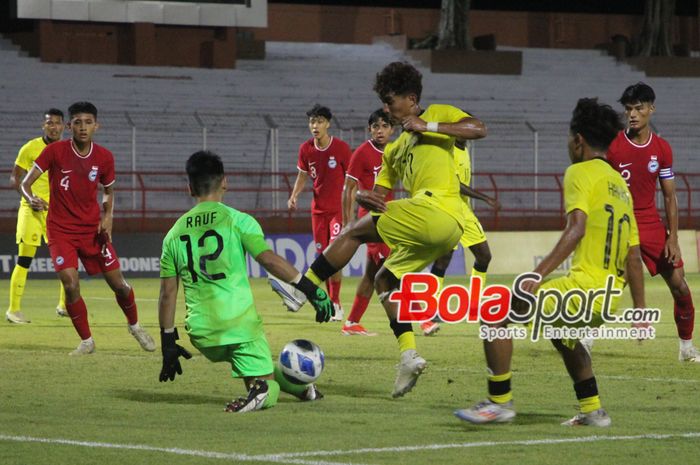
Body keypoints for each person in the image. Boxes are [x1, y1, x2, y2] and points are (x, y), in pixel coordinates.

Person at [282, 61, 487, 397]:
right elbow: (378, 197)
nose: (387, 109)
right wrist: (365, 195)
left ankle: (303, 288)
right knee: (384, 280)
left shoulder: (438, 112)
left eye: (392, 102)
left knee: (349, 232)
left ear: (410, 98)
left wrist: (429, 124)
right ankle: (409, 355)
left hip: (442, 211)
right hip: (438, 226)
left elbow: (479, 128)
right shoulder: (394, 150)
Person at [455, 98, 645, 427]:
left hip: (583, 288)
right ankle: (593, 410)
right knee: (562, 333)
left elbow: (577, 228)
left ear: (579, 141)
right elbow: (633, 255)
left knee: (494, 311)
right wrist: (640, 309)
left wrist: (536, 274)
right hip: (607, 298)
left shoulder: (579, 172)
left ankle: (499, 403)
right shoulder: (621, 186)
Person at [158, 150, 333, 413]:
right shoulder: (238, 221)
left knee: (252, 365)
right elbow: (269, 260)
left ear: (190, 187)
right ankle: (262, 392)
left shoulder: (173, 233)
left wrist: (167, 342)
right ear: (225, 182)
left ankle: (303, 390)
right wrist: (309, 288)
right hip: (238, 324)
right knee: (265, 384)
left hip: (202, 333)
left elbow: (167, 294)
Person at [20, 101, 156, 355]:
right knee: (70, 283)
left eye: (88, 122)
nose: (83, 127)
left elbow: (108, 192)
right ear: (70, 126)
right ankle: (87, 341)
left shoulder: (104, 157)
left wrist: (107, 218)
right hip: (60, 230)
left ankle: (135, 325)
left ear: (97, 126)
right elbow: (25, 183)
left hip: (93, 232)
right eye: (78, 122)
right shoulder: (55, 152)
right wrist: (30, 198)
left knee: (120, 286)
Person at [606, 82, 698, 362]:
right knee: (609, 289)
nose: (632, 114)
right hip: (621, 224)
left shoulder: (662, 149)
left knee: (680, 286)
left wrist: (673, 238)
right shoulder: (612, 147)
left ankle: (686, 349)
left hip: (650, 224)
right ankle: (584, 341)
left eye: (638, 108)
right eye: (628, 109)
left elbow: (670, 197)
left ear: (651, 109)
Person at [417, 138, 500, 336]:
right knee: (443, 260)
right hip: (449, 209)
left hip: (464, 211)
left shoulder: (465, 150)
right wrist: (486, 198)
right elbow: (455, 184)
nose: (466, 133)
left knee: (484, 256)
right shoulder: (449, 151)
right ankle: (431, 308)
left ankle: (474, 304)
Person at [283, 104, 352, 320]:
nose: (315, 125)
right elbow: (303, 176)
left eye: (320, 121)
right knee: (321, 257)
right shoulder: (306, 149)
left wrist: (351, 211)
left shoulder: (341, 148)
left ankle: (336, 303)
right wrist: (294, 195)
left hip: (336, 212)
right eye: (312, 121)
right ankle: (325, 302)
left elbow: (352, 181)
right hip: (318, 212)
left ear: (328, 124)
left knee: (334, 256)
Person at [6, 109, 67, 323]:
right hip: (31, 210)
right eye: (50, 123)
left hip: (56, 213)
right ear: (44, 125)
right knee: (24, 259)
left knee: (66, 260)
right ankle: (14, 310)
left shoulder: (69, 150)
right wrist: (30, 198)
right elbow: (15, 178)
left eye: (57, 123)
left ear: (64, 126)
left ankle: (63, 305)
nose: (53, 127)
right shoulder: (30, 148)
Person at [340, 109, 394, 336]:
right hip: (371, 219)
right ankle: (421, 319)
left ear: (392, 129)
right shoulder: (362, 152)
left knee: (371, 274)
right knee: (393, 267)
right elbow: (348, 188)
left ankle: (351, 323)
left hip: (389, 217)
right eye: (375, 126)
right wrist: (348, 222)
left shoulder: (394, 151)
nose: (379, 131)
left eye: (384, 126)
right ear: (369, 129)